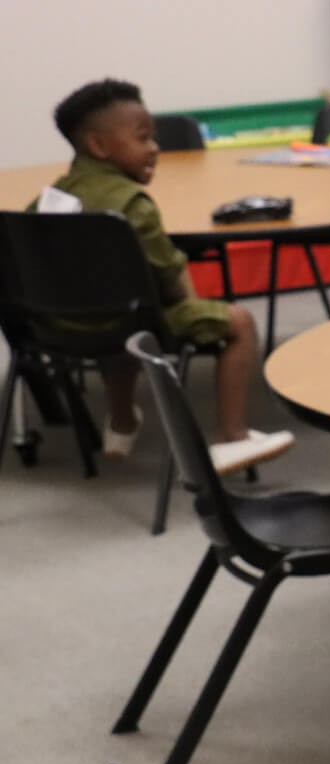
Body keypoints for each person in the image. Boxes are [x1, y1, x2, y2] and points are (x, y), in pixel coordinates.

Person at [35, 79, 293, 472]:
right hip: (127, 326)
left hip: (61, 329)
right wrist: (194, 310)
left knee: (113, 305)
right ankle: (233, 436)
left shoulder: (47, 199)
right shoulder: (132, 205)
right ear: (99, 146)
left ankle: (121, 423)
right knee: (237, 323)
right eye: (143, 138)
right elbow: (171, 276)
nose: (155, 147)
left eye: (153, 137)